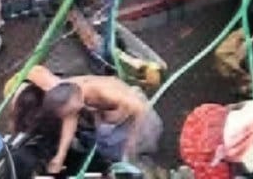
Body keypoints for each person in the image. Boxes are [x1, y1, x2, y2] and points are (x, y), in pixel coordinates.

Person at [29, 65, 162, 173]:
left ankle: (149, 170)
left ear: (76, 102)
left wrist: (131, 144)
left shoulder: (103, 92)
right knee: (106, 143)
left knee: (133, 158)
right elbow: (70, 119)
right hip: (113, 121)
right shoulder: (70, 91)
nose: (70, 116)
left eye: (70, 112)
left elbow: (140, 110)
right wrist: (60, 156)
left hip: (140, 119)